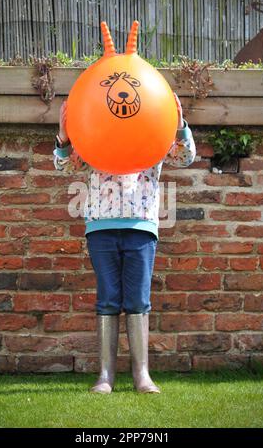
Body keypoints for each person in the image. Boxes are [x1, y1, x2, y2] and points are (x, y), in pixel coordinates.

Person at [53, 93, 196, 394]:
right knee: (107, 299)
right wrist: (64, 138)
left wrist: (180, 124)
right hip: (101, 228)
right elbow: (65, 168)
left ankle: (142, 376)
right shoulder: (95, 130)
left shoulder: (155, 129)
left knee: (138, 301)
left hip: (141, 226)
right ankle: (105, 376)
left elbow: (185, 157)